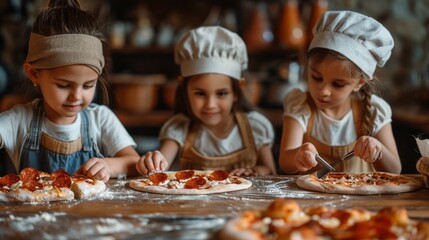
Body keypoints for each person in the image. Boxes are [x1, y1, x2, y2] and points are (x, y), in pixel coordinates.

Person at [0, 0, 140, 182]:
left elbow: (134, 162)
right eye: (64, 85)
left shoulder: (101, 119)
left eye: (88, 85)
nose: (76, 96)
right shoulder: (19, 122)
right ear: (34, 74)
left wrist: (108, 166)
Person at [137, 26, 277, 176]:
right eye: (200, 94)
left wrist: (260, 171)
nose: (210, 105)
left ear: (237, 91)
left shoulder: (255, 127)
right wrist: (153, 161)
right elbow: (158, 169)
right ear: (184, 88)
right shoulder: (179, 129)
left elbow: (273, 175)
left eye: (222, 93)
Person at [278, 11, 402, 174]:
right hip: (311, 199)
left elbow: (395, 170)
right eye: (316, 77)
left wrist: (378, 151)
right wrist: (297, 156)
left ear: (359, 83)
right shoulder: (300, 105)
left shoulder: (373, 110)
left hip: (362, 199)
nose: (323, 91)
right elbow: (284, 163)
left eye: (337, 84)